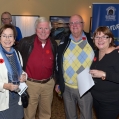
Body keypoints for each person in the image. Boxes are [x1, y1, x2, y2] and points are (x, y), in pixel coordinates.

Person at [16, 17, 57, 119]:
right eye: (40, 28)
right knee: (29, 114)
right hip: (30, 84)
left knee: (46, 113)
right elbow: (15, 59)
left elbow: (57, 63)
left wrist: (55, 80)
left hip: (48, 84)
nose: (43, 31)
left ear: (50, 31)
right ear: (35, 30)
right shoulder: (25, 42)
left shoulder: (53, 44)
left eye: (46, 28)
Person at [55, 14, 94, 119]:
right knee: (70, 116)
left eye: (77, 22)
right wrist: (58, 81)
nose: (74, 25)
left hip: (86, 88)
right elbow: (58, 63)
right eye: (71, 23)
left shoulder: (92, 39)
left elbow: (104, 51)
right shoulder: (64, 41)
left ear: (83, 24)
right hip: (67, 88)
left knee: (86, 116)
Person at [89, 26, 119, 119]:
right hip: (97, 99)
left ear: (110, 40)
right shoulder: (96, 53)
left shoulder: (116, 54)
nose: (100, 39)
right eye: (97, 37)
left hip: (110, 101)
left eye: (104, 36)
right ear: (94, 40)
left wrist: (104, 74)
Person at [0, 24, 27, 119]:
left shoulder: (17, 53)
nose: (7, 39)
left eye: (10, 36)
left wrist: (24, 76)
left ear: (14, 39)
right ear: (0, 38)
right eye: (4, 35)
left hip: (17, 99)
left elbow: (22, 70)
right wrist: (5, 86)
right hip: (3, 101)